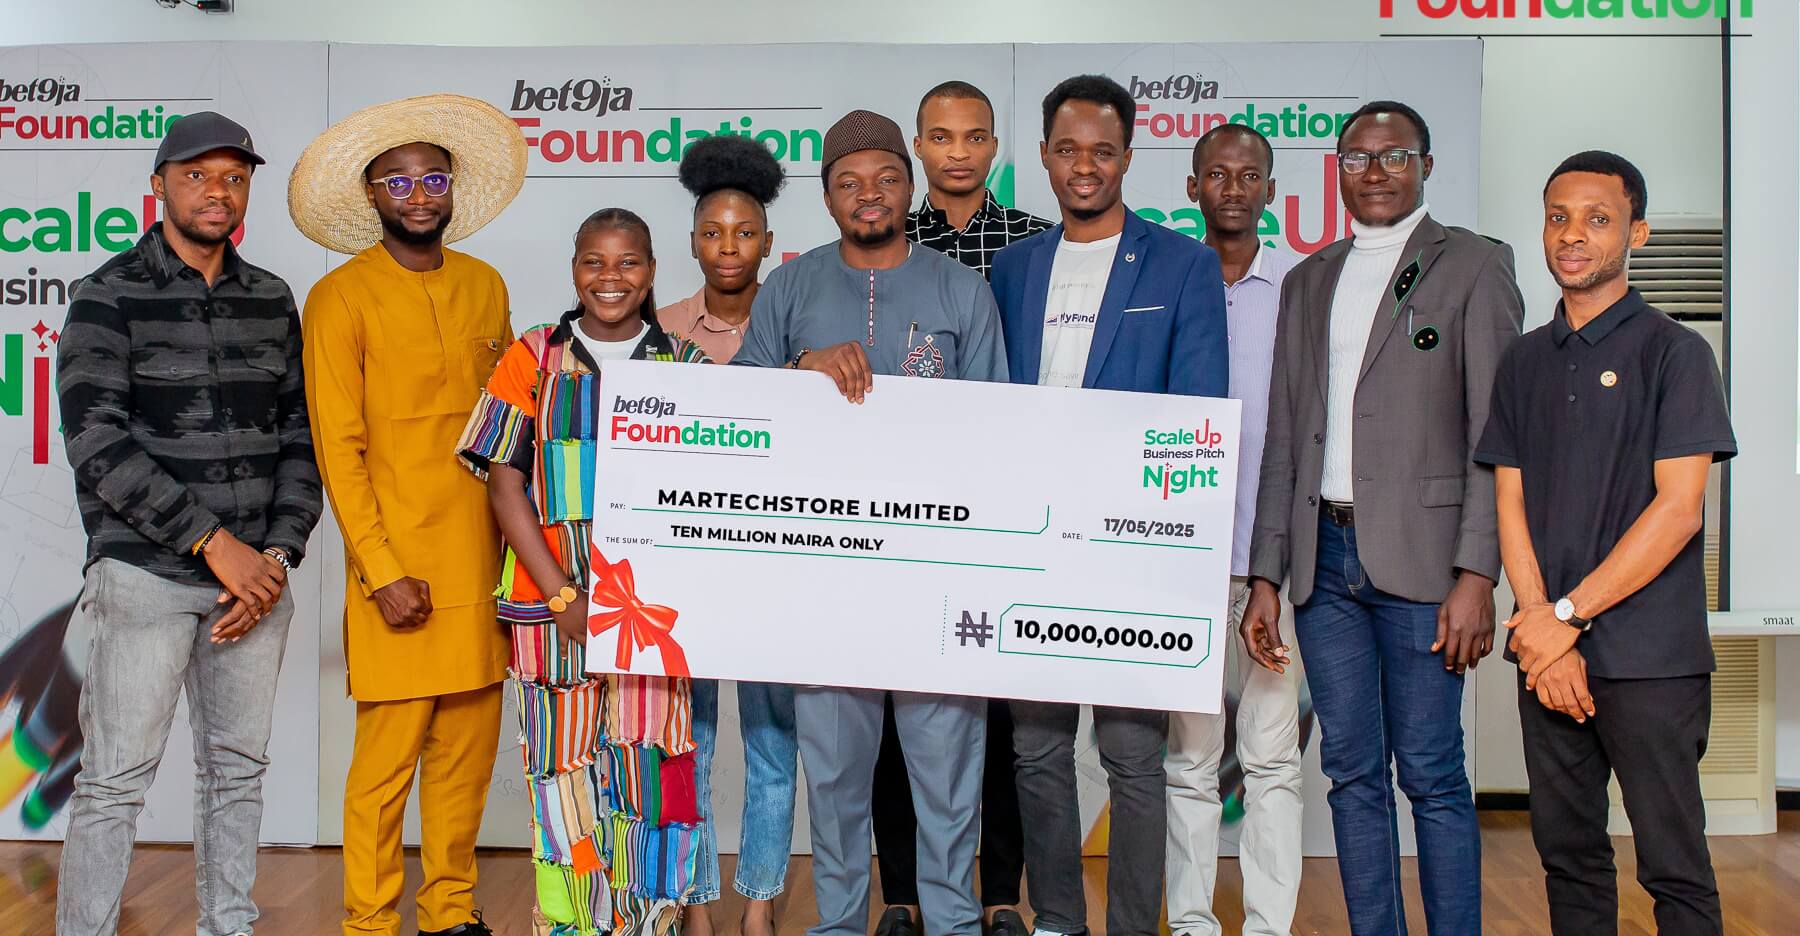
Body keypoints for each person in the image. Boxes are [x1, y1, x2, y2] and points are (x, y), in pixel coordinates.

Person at [1245, 100, 1523, 935]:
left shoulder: (1475, 266)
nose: (1374, 171)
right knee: (1352, 775)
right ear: (1338, 170)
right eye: (1358, 158)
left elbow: (1496, 434)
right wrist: (1266, 574)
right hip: (1322, 564)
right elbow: (1286, 434)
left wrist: (1477, 574)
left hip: (1426, 564)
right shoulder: (1309, 279)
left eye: (1394, 155)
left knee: (1432, 775)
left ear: (1426, 166)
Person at [733, 108, 1006, 936]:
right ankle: (840, 925)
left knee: (949, 784)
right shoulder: (791, 287)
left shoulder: (962, 289)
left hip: (936, 578)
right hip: (827, 579)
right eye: (849, 183)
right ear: (827, 199)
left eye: (886, 178)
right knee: (837, 784)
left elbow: (999, 430)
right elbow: (741, 412)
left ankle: (954, 924)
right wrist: (801, 365)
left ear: (909, 186)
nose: (869, 194)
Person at [55, 112, 322, 936]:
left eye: (234, 177)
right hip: (146, 576)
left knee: (237, 775)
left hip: (255, 585)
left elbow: (299, 438)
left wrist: (274, 556)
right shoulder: (107, 294)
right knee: (114, 782)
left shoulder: (272, 297)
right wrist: (215, 544)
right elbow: (96, 444)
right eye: (197, 175)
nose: (218, 192)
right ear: (159, 185)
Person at [988, 74, 1229, 936]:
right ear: (1044, 157)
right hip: (1031, 549)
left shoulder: (1184, 265)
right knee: (1037, 750)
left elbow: (1198, 415)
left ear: (1127, 156)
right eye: (1067, 150)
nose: (1083, 167)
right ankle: (1059, 919)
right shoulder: (1014, 266)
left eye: (1101, 151)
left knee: (1132, 755)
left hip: (1132, 551)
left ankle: (1131, 927)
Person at [1475, 151, 1732, 935]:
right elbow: (1510, 503)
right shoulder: (1523, 360)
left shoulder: (1675, 352)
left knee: (1673, 866)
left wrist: (1566, 616)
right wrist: (1541, 629)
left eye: (1597, 219)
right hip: (1549, 653)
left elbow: (1679, 510)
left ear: (1637, 234)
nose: (1572, 235)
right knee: (1569, 858)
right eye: (1558, 218)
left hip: (1652, 659)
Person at [291, 94, 528, 936]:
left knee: (466, 761)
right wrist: (382, 571)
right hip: (397, 572)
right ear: (372, 195)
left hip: (480, 566)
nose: (419, 195)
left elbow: (507, 430)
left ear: (453, 185)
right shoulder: (340, 298)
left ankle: (451, 912)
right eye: (398, 181)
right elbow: (338, 449)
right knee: (385, 768)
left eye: (433, 178)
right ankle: (368, 921)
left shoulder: (484, 285)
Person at [457, 207, 712, 936]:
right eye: (594, 261)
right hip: (550, 612)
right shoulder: (533, 356)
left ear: (652, 271)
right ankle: (570, 927)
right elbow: (504, 484)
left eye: (628, 262)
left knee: (653, 778)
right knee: (560, 782)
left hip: (652, 622)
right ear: (574, 269)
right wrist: (564, 595)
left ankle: (649, 924)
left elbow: (709, 490)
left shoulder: (686, 365)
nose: (610, 277)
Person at [870, 78, 1051, 936]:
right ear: (918, 145)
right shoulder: (884, 243)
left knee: (1004, 710)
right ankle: (901, 896)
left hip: (1001, 498)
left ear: (995, 148)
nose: (957, 152)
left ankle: (1000, 894)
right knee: (893, 711)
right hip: (895, 509)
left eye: (974, 136)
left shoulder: (1036, 243)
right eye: (940, 137)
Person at [1163, 123, 1303, 936]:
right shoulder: (1170, 285)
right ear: (1193, 188)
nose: (1234, 188)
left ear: (1270, 191)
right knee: (1189, 760)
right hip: (1184, 561)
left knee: (1272, 757)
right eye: (1217, 174)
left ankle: (1268, 927)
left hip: (1269, 562)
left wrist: (1273, 570)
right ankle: (1190, 923)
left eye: (1250, 176)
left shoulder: (1298, 291)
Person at [655, 134, 797, 936]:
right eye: (713, 232)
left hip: (777, 569)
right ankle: (698, 905)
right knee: (694, 745)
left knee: (774, 745)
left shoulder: (797, 321)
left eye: (745, 233)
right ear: (693, 243)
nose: (729, 246)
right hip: (687, 572)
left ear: (768, 243)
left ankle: (760, 905)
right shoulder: (662, 331)